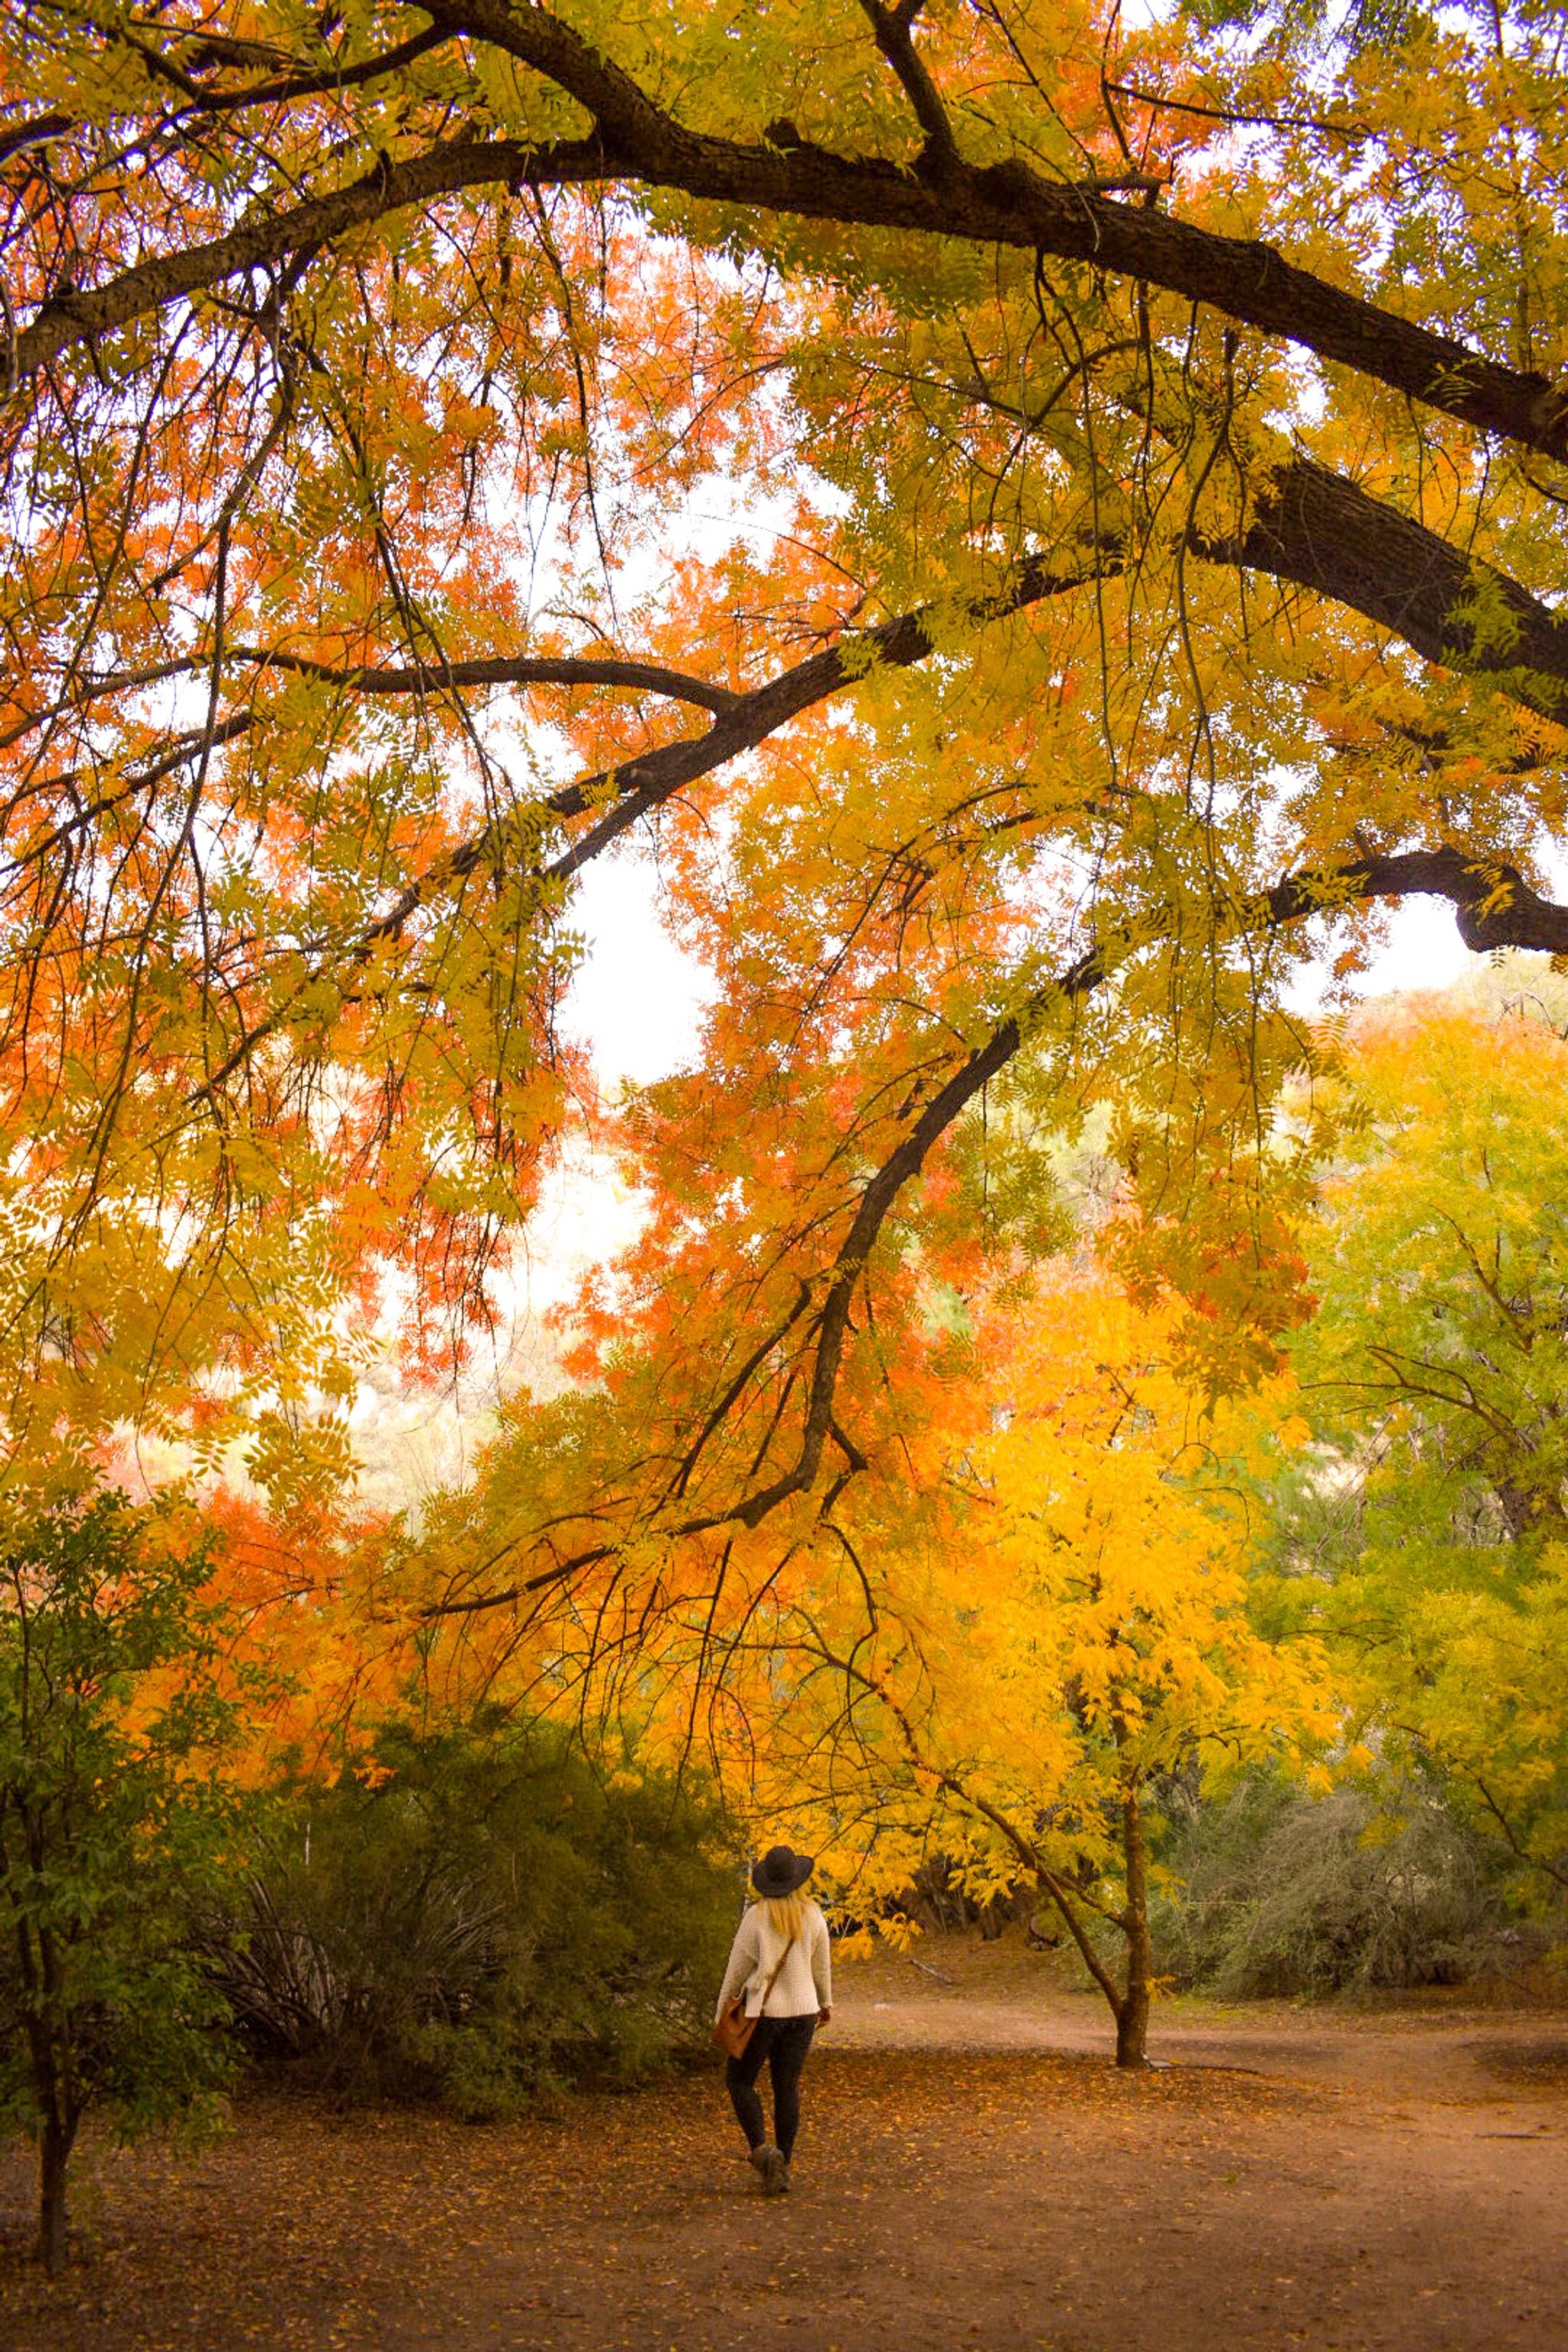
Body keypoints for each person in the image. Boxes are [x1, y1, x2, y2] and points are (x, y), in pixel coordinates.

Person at [715, 1843, 832, 2195]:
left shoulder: (756, 1917)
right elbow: (821, 1965)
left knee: (739, 2081)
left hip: (763, 2013)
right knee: (787, 2086)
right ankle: (784, 2163)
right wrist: (825, 2002)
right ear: (797, 1879)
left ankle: (764, 2152)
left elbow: (735, 1972)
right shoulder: (813, 1915)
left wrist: (721, 2011)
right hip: (803, 2012)